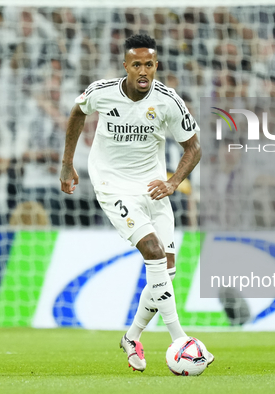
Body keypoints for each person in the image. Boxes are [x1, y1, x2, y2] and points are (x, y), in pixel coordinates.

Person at [59, 34, 213, 372]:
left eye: (149, 64)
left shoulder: (169, 102)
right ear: (125, 66)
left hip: (153, 188)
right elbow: (76, 113)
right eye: (137, 64)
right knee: (154, 253)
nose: (144, 71)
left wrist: (173, 182)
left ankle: (131, 337)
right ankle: (181, 339)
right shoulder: (101, 92)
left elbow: (194, 148)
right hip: (112, 185)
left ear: (156, 66)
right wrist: (67, 162)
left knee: (166, 273)